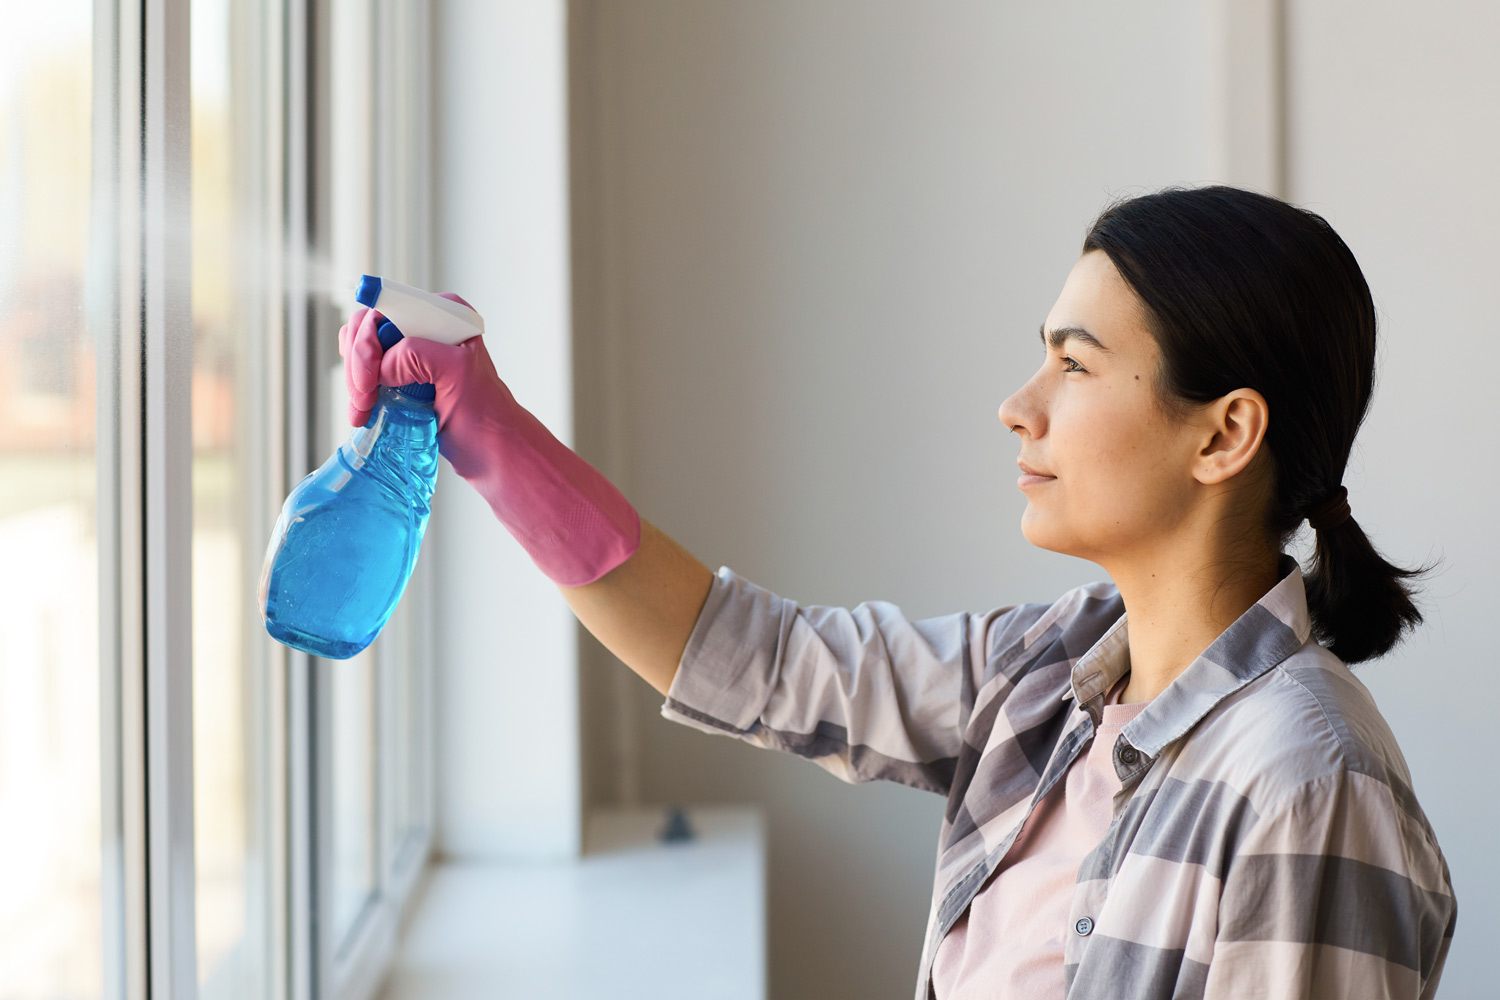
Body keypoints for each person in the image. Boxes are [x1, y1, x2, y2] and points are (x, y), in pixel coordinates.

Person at [341, 185, 1457, 999]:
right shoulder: (1048, 677)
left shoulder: (1309, 786)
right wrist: (481, 425)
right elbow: (748, 658)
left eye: (1073, 363)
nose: (1019, 405)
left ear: (1225, 433)